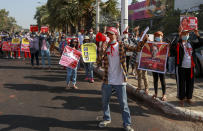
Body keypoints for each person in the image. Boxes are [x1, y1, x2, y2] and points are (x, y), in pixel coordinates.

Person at [97, 27, 134, 131]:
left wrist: (144, 40)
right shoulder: (106, 47)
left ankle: (127, 124)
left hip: (120, 80)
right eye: (107, 34)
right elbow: (98, 61)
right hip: (107, 79)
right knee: (105, 101)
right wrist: (102, 50)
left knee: (123, 104)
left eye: (111, 34)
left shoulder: (121, 45)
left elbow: (136, 49)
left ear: (116, 35)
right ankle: (106, 118)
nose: (109, 36)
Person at [175, 29, 203, 106]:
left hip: (190, 67)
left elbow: (201, 42)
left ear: (188, 36)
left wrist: (197, 34)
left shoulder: (191, 43)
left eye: (187, 34)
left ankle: (189, 98)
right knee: (182, 83)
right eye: (184, 34)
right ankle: (181, 99)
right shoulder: (179, 44)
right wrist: (179, 34)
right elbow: (174, 44)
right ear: (181, 35)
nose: (185, 36)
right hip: (181, 67)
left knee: (190, 83)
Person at [152, 31, 167, 101]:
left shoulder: (165, 45)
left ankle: (164, 94)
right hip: (154, 64)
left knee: (162, 80)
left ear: (162, 36)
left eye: (159, 35)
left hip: (161, 65)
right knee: (155, 80)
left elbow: (168, 55)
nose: (157, 37)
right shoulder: (153, 44)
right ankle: (155, 93)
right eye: (156, 36)